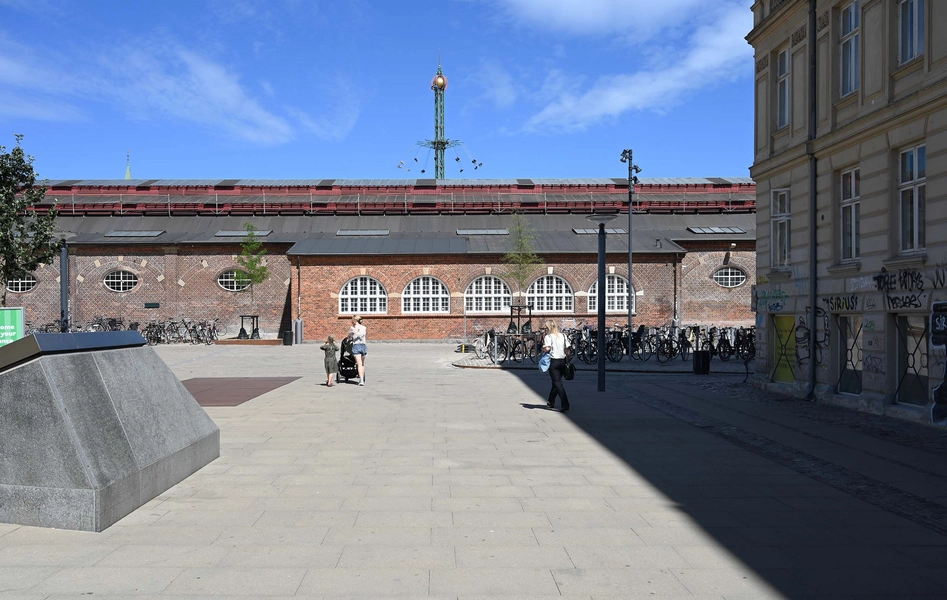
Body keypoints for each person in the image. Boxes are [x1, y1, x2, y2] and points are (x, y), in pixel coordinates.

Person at [542, 320, 571, 412]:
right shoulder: (563, 336)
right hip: (562, 361)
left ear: (548, 328)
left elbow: (547, 349)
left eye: (545, 328)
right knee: (556, 383)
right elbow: (568, 349)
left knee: (558, 383)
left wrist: (543, 346)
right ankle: (551, 401)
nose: (545, 330)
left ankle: (565, 404)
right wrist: (568, 360)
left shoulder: (548, 337)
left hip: (553, 362)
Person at [348, 315, 368, 386]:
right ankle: (362, 378)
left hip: (356, 345)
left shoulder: (352, 328)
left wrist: (351, 337)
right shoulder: (364, 328)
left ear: (354, 321)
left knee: (358, 364)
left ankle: (361, 380)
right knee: (362, 364)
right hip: (363, 346)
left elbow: (349, 337)